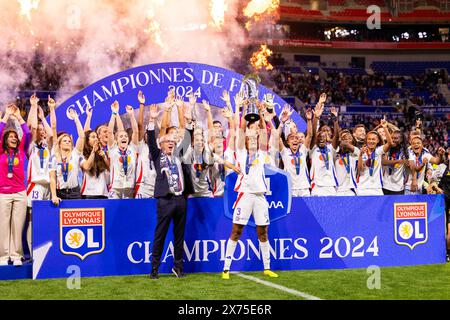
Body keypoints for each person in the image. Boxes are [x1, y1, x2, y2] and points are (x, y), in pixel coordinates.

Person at [222, 100, 278, 280]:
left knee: (263, 232)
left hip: (260, 196)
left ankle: (267, 267)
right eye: (250, 137)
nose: (253, 138)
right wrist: (242, 109)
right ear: (245, 140)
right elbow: (239, 130)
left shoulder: (262, 153)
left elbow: (262, 130)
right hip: (244, 196)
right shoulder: (241, 152)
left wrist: (261, 112)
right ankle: (226, 269)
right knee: (236, 231)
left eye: (255, 137)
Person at [147, 102, 194, 279]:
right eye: (167, 141)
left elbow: (188, 140)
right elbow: (151, 139)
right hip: (165, 200)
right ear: (161, 145)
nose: (171, 143)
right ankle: (154, 268)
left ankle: (178, 267)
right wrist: (152, 120)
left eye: (173, 141)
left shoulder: (179, 155)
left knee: (179, 235)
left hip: (181, 199)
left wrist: (188, 121)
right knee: (160, 234)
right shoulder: (158, 155)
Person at [0, 104, 31, 266]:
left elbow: (27, 133)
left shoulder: (20, 150)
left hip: (20, 193)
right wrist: (5, 117)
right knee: (3, 226)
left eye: (15, 136)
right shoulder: (0, 151)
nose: (13, 138)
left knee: (17, 226)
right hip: (3, 193)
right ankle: (3, 257)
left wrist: (19, 117)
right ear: (5, 139)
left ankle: (17, 255)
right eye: (10, 136)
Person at [107, 101, 139, 199]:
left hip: (129, 187)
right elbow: (109, 132)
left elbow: (136, 131)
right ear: (116, 140)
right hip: (115, 187)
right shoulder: (113, 149)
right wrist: (114, 113)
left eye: (125, 136)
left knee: (128, 213)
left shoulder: (132, 148)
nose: (124, 137)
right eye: (121, 136)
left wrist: (132, 115)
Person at [356, 117, 393, 196]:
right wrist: (360, 155)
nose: (371, 141)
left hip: (377, 188)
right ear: (366, 140)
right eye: (369, 139)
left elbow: (390, 143)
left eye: (373, 139)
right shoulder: (361, 151)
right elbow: (359, 169)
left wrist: (385, 127)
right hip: (362, 187)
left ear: (378, 141)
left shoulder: (379, 151)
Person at [382, 130, 409, 195]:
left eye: (396, 138)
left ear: (401, 139)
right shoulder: (386, 149)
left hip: (398, 187)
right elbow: (384, 162)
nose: (393, 140)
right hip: (385, 185)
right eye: (392, 138)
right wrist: (398, 161)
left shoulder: (406, 151)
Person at [335, 129, 360, 196]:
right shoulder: (335, 155)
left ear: (353, 141)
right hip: (337, 190)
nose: (346, 140)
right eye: (344, 138)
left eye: (349, 138)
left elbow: (346, 145)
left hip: (351, 190)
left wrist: (343, 141)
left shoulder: (356, 153)